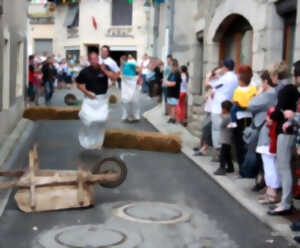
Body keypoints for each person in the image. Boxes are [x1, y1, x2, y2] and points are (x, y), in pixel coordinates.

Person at [268, 61, 300, 216]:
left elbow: (279, 112)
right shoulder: (293, 89)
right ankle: (288, 201)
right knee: (289, 168)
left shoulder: (284, 90)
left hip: (285, 131)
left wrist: (272, 114)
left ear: (276, 76)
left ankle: (285, 204)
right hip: (293, 132)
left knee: (284, 168)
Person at [76, 51, 119, 150]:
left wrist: (105, 71)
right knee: (88, 120)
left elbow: (114, 77)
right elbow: (78, 84)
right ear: (89, 60)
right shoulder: (85, 71)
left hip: (102, 100)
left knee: (102, 120)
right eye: (93, 59)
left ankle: (97, 142)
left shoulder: (104, 68)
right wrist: (87, 92)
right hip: (89, 99)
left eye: (96, 58)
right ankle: (86, 139)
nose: (95, 61)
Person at [210, 59, 238, 162]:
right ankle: (225, 155)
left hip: (219, 108)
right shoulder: (235, 77)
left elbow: (211, 86)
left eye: (222, 66)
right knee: (226, 132)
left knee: (217, 130)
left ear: (225, 67)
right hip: (229, 106)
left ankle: (219, 154)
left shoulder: (225, 78)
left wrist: (212, 76)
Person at [194, 68, 221, 156]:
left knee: (207, 128)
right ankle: (202, 146)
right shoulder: (213, 83)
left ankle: (205, 148)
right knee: (205, 128)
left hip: (215, 110)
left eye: (216, 74)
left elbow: (207, 86)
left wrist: (207, 78)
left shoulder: (220, 83)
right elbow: (207, 89)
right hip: (209, 108)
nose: (214, 75)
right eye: (214, 74)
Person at [232, 65, 254, 171]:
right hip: (250, 118)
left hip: (240, 119)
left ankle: (242, 169)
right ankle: (247, 169)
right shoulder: (253, 88)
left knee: (240, 144)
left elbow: (235, 103)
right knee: (248, 144)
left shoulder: (238, 90)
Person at [214, 100, 234, 176]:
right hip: (228, 138)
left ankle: (222, 168)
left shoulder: (226, 117)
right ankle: (230, 167)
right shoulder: (231, 116)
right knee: (228, 154)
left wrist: (221, 116)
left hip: (225, 138)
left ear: (225, 109)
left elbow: (221, 126)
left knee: (223, 155)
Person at [120, 54, 141, 122]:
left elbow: (139, 69)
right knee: (125, 99)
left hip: (132, 81)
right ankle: (127, 115)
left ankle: (134, 115)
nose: (120, 62)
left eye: (121, 60)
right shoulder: (123, 66)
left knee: (133, 99)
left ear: (123, 60)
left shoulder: (130, 63)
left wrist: (138, 77)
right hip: (126, 83)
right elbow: (122, 74)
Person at [165, 59, 182, 124]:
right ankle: (172, 117)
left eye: (172, 66)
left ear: (175, 66)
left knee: (174, 106)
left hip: (174, 93)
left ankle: (174, 118)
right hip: (170, 92)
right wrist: (168, 83)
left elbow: (174, 84)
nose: (171, 67)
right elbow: (167, 81)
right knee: (171, 106)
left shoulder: (178, 74)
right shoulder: (171, 73)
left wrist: (168, 83)